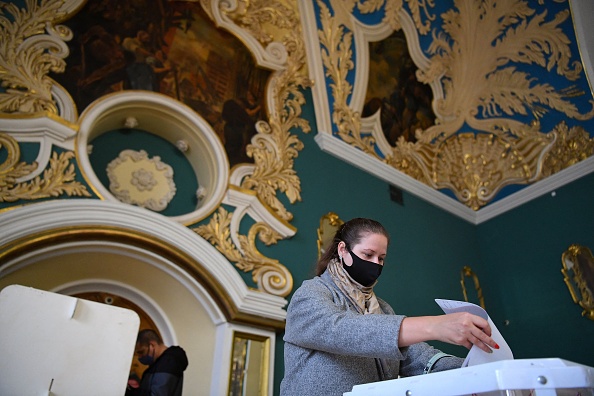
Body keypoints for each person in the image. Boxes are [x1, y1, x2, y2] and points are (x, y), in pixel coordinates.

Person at [280, 218, 499, 396]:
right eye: (368, 255)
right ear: (343, 250)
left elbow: (421, 360)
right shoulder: (311, 294)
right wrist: (436, 326)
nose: (375, 263)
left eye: (381, 258)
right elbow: (343, 329)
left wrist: (479, 371)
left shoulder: (383, 309)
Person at [133, 329, 188, 396]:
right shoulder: (157, 364)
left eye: (141, 352)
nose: (139, 357)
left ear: (152, 345)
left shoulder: (168, 363)